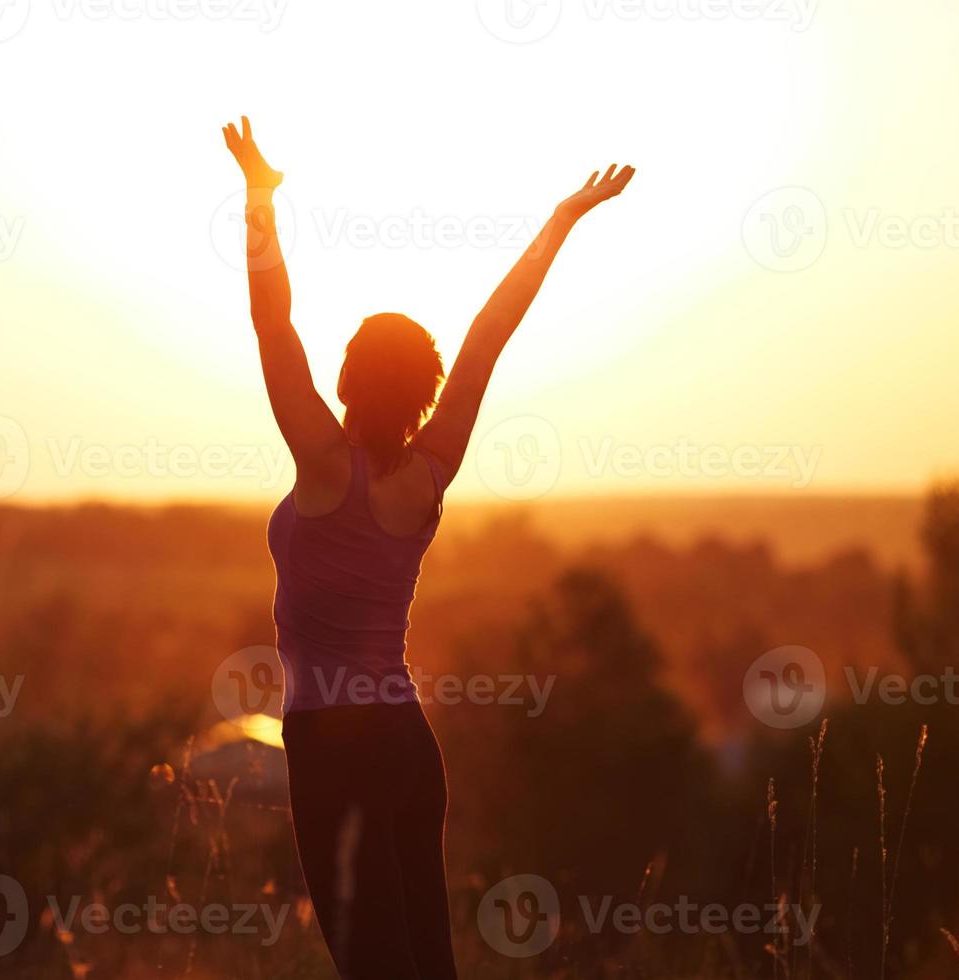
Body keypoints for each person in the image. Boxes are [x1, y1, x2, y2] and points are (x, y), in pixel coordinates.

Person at [222, 115, 634, 979]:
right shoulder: (430, 473)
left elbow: (272, 321)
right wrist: (561, 221)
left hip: (331, 746)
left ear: (343, 379)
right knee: (427, 965)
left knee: (374, 966)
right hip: (408, 745)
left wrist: (261, 195)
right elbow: (489, 336)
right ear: (428, 389)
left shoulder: (322, 463)